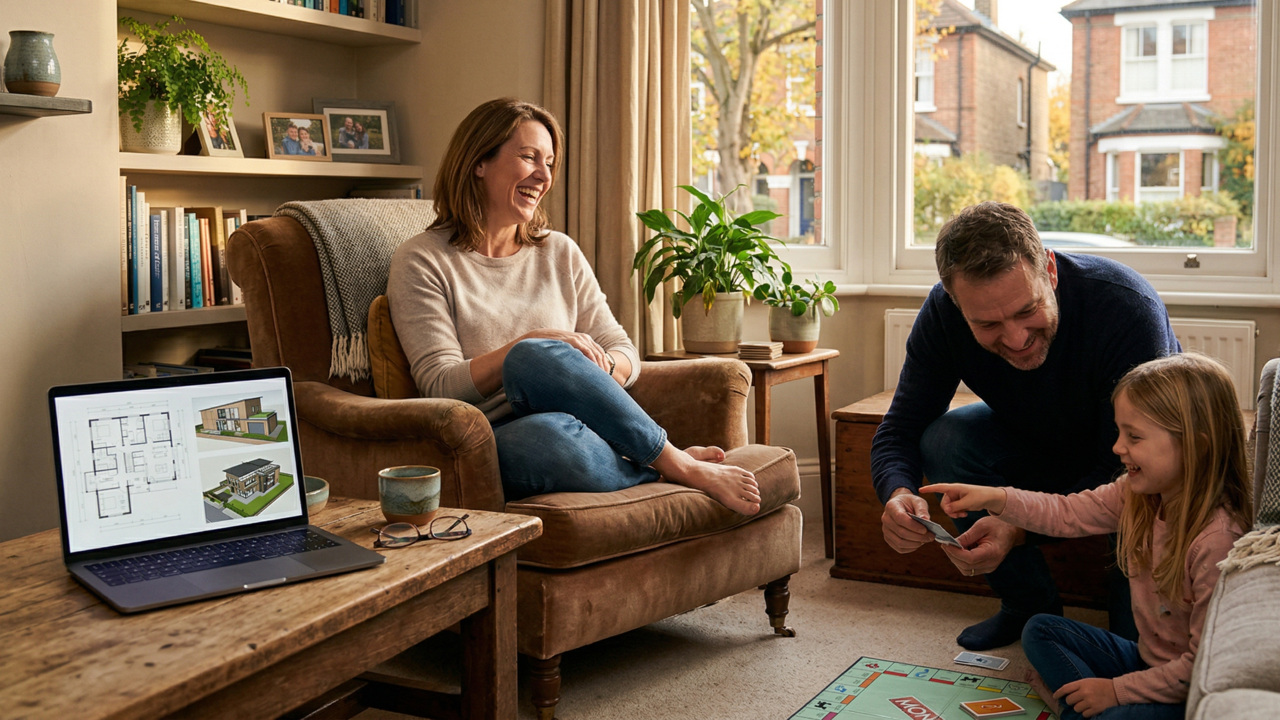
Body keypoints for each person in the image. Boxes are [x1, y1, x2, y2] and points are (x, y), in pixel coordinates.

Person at [387, 97, 761, 514]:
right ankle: (668, 465)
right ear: (478, 162)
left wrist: (593, 368)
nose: (544, 175)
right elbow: (438, 385)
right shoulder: (422, 260)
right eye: (529, 157)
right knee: (534, 374)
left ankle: (670, 462)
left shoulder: (559, 252)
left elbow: (623, 351)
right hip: (494, 435)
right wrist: (531, 346)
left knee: (545, 369)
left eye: (549, 163)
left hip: (582, 420)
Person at [872, 201, 1181, 651]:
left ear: (1049, 270)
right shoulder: (942, 314)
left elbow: (1130, 470)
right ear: (956, 303)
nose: (1016, 339)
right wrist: (897, 493)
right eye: (988, 324)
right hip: (1037, 444)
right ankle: (1027, 603)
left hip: (1137, 475)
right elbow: (901, 427)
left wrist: (1020, 530)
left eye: (1027, 310)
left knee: (1135, 651)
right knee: (945, 439)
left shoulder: (1126, 307)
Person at [923, 353, 1251, 720]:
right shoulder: (1136, 494)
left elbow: (1203, 667)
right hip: (1146, 662)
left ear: (1197, 446)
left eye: (1134, 436)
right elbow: (1066, 513)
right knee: (1040, 629)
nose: (1117, 447)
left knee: (1110, 713)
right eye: (1119, 432)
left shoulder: (1218, 541)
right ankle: (1081, 709)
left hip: (1189, 694)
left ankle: (1072, 710)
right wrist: (995, 498)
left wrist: (1115, 691)